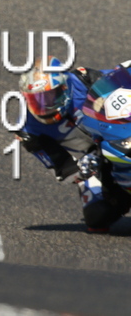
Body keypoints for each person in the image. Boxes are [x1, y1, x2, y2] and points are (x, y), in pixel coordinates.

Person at [16, 57, 131, 232]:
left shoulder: (84, 79)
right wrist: (83, 170)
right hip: (93, 161)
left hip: (121, 132)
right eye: (36, 100)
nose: (44, 106)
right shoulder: (29, 130)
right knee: (97, 216)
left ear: (65, 87)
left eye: (50, 96)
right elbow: (64, 168)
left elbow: (121, 81)